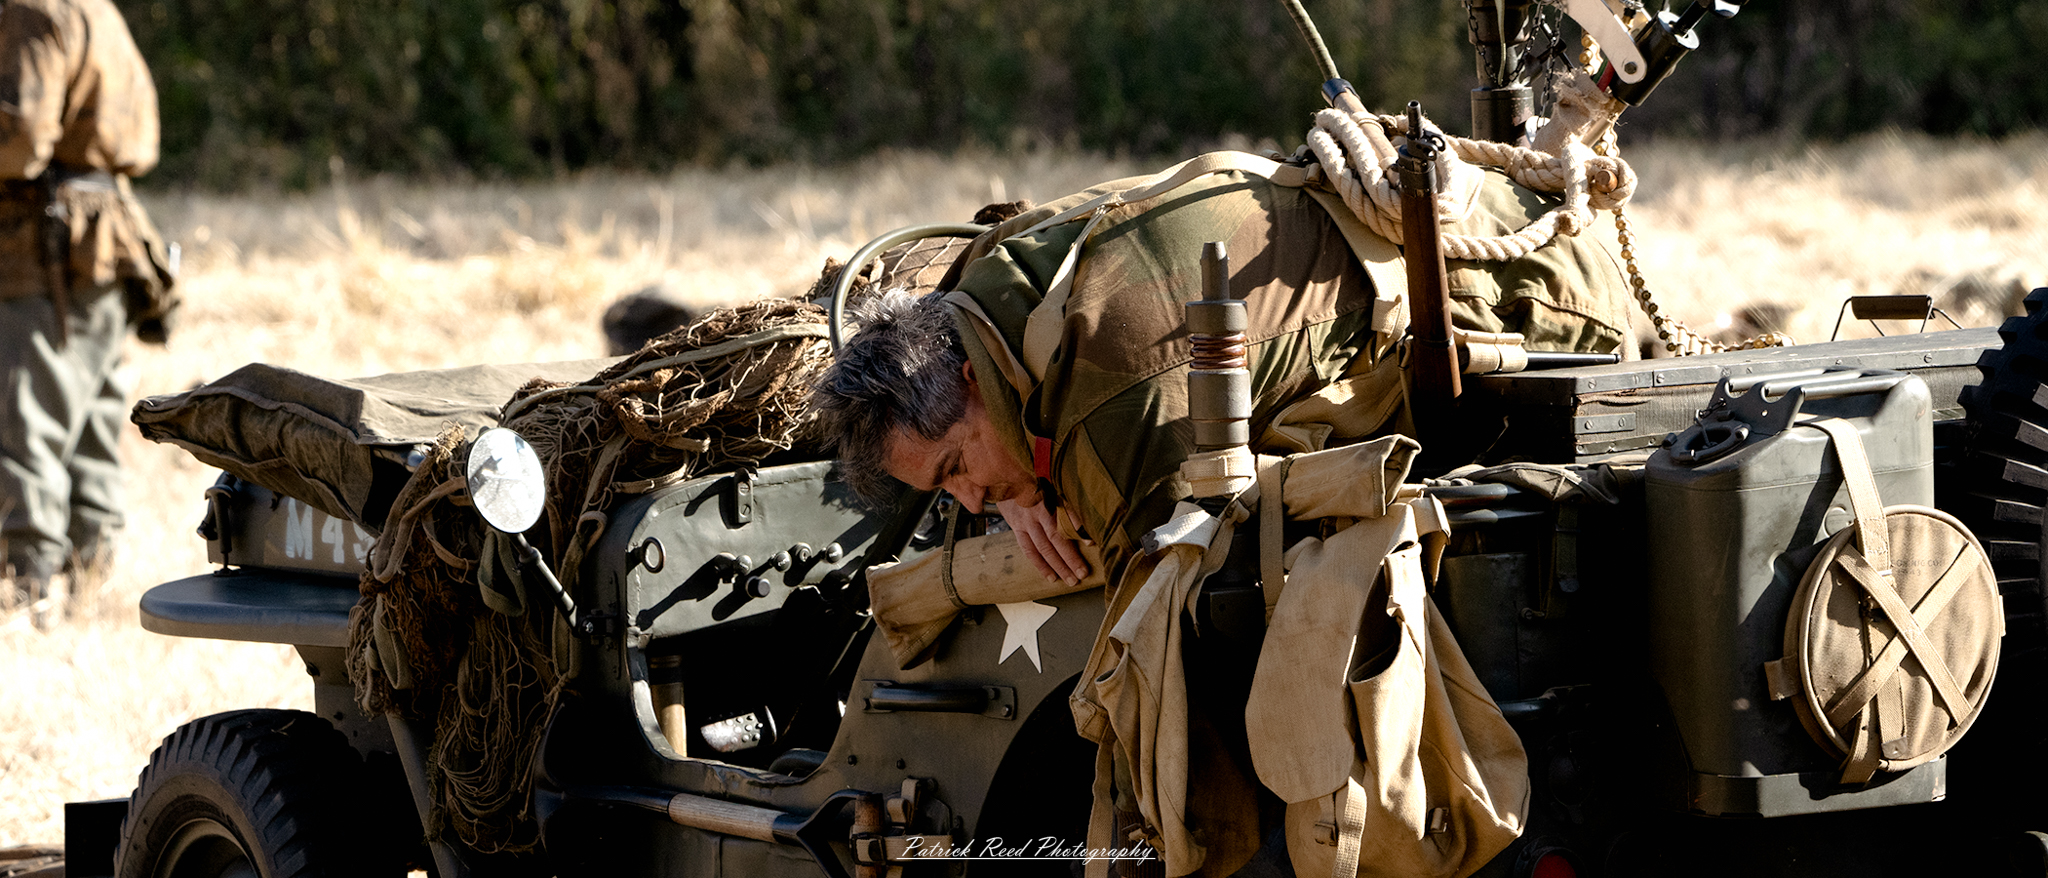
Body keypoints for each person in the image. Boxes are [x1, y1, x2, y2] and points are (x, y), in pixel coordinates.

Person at [0, 0, 176, 619]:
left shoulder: (28, 11)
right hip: (102, 244)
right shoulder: (94, 8)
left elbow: (19, 139)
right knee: (89, 424)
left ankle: (26, 595)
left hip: (46, 251)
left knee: (24, 424)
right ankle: (88, 587)